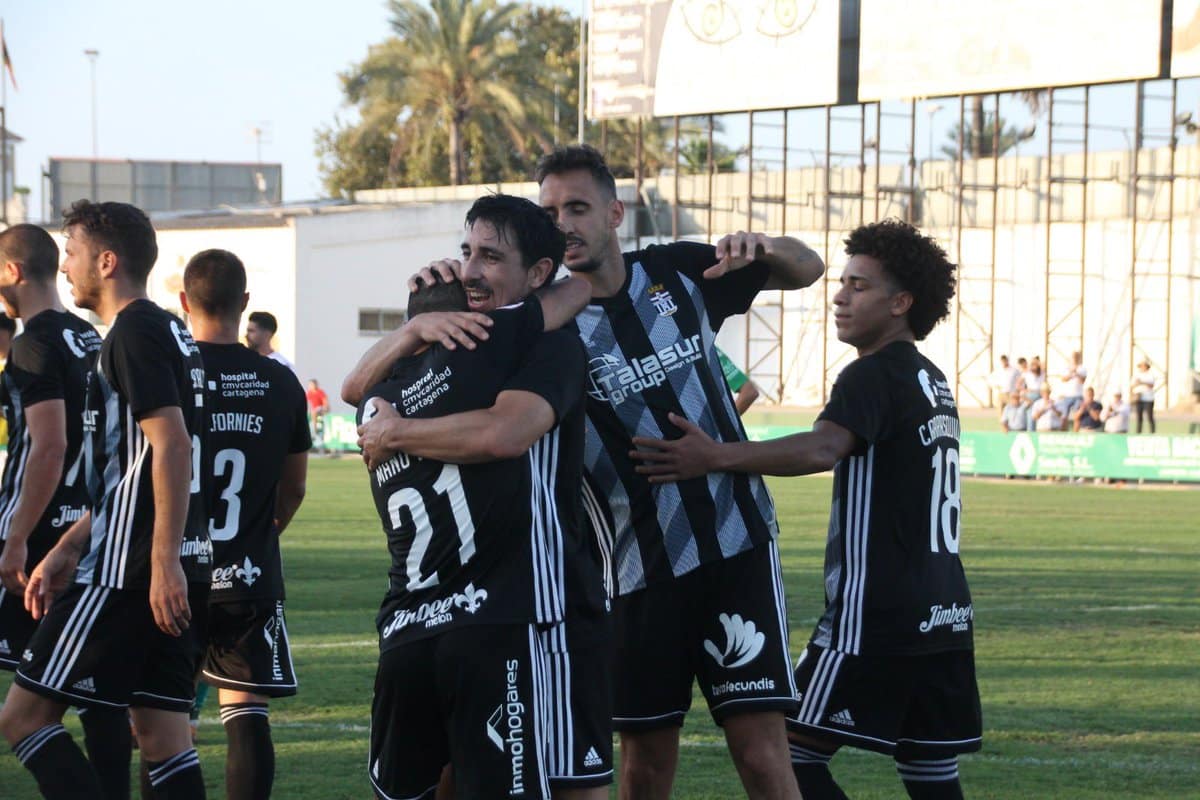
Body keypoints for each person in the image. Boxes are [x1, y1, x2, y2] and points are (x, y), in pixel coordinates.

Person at [628, 219, 981, 800]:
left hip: (878, 612)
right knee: (930, 770)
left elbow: (822, 447)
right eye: (842, 282)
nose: (840, 296)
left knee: (785, 753)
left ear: (901, 303)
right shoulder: (930, 379)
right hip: (945, 609)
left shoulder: (872, 374)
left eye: (859, 286)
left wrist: (716, 455)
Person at [536, 144, 824, 799]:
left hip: (737, 549)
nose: (564, 225)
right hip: (635, 572)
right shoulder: (546, 329)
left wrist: (768, 245)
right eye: (550, 213)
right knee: (646, 763)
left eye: (578, 207)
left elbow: (809, 268)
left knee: (761, 754)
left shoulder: (678, 272)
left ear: (615, 213)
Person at [353, 195, 606, 799]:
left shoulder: (380, 396)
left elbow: (350, 385)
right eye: (467, 254)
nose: (470, 270)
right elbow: (506, 433)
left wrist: (407, 349)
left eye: (488, 256)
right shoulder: (517, 346)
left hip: (408, 626)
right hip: (521, 618)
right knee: (574, 787)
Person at [0, 201, 211, 800]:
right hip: (163, 561)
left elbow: (171, 446)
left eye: (71, 252)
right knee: (164, 737)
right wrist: (69, 545)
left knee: (22, 719)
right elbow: (135, 469)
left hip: (130, 573)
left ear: (107, 261)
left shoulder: (134, 332)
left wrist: (162, 560)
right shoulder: (162, 326)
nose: (65, 267)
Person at [0, 224, 133, 800]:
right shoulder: (91, 336)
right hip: (89, 533)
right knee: (96, 696)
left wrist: (15, 538)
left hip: (37, 540)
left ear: (12, 273)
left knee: (29, 710)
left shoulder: (34, 343)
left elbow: (48, 446)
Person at [180, 249, 310, 800]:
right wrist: (264, 528)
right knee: (245, 709)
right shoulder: (280, 383)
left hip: (174, 570)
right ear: (246, 304)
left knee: (165, 723)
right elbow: (296, 486)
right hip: (248, 571)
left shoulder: (171, 377)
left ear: (183, 303)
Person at [245, 311, 296, 376]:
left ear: (267, 334)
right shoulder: (244, 362)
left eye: (251, 331)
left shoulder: (282, 365)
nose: (246, 335)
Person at [715, 346, 762, 416]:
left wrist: (725, 424)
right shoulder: (708, 349)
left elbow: (750, 392)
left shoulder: (708, 350)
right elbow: (750, 391)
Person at [1130, 361, 1159, 434]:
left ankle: (1152, 432)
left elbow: (1151, 385)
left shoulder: (1150, 375)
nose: (1143, 368)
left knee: (1150, 416)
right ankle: (1138, 432)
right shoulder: (1136, 375)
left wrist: (1142, 382)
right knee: (1139, 417)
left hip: (1148, 399)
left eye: (1144, 366)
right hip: (1139, 398)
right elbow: (1132, 386)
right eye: (1142, 366)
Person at [1057, 351, 1087, 419]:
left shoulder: (1082, 368)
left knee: (1077, 416)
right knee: (1064, 416)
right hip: (1067, 396)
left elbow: (1082, 381)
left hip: (1078, 395)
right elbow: (1063, 379)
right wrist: (1071, 373)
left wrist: (1076, 372)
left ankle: (1075, 430)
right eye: (1073, 357)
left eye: (1076, 357)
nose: (1075, 358)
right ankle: (1063, 429)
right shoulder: (1066, 368)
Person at [305, 379, 330, 453]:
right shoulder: (309, 393)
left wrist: (325, 409)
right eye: (309, 385)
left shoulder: (320, 392)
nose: (310, 386)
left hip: (320, 408)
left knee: (314, 412)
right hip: (314, 410)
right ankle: (313, 432)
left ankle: (315, 431)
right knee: (312, 412)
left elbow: (325, 403)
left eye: (311, 385)